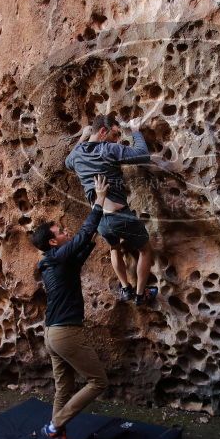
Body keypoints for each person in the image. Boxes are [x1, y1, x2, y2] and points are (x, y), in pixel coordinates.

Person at [31, 174, 110, 439]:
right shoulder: (56, 258)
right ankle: (54, 426)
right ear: (53, 242)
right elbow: (82, 237)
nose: (67, 232)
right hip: (65, 333)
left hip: (52, 334)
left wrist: (98, 225)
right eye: (61, 232)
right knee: (98, 381)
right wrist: (99, 203)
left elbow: (83, 246)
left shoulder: (55, 263)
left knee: (63, 388)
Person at [65, 114, 157, 306]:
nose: (117, 139)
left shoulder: (78, 155)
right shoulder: (108, 149)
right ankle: (140, 295)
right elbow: (142, 154)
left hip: (100, 220)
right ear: (103, 132)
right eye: (115, 134)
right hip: (120, 215)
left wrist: (83, 136)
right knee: (145, 250)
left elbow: (67, 162)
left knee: (115, 247)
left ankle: (125, 288)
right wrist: (135, 131)